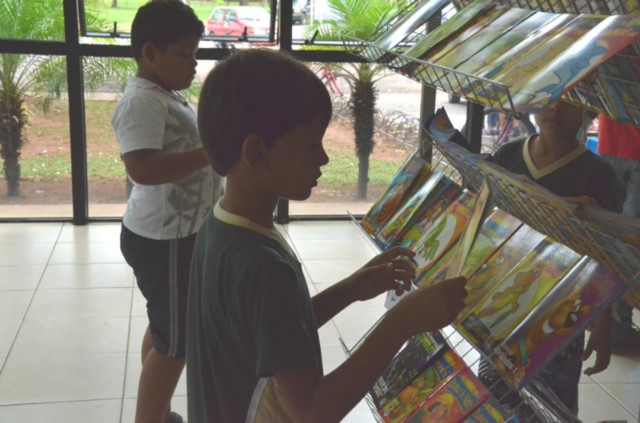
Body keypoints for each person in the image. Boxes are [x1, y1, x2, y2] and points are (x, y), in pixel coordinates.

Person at [186, 48, 468, 423]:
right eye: (310, 144)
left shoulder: (220, 228)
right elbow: (312, 411)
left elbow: (273, 335)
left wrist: (351, 289)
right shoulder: (265, 267)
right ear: (256, 152)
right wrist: (403, 321)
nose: (323, 158)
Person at [111, 2, 224, 423]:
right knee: (176, 342)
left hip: (177, 236)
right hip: (165, 241)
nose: (194, 64)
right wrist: (210, 154)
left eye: (196, 54)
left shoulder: (164, 94)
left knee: (168, 330)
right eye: (185, 54)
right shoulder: (142, 102)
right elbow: (142, 169)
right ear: (150, 53)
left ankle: (157, 413)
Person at [486, 100, 619, 415]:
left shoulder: (599, 174)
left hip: (564, 308)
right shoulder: (508, 154)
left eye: (571, 102)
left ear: (590, 113)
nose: (556, 107)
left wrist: (604, 324)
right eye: (550, 96)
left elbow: (608, 253)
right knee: (495, 390)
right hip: (503, 299)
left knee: (552, 400)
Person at [597, 113, 640, 355]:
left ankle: (612, 317)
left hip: (610, 143)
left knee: (611, 237)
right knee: (627, 241)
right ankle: (617, 322)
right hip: (616, 147)